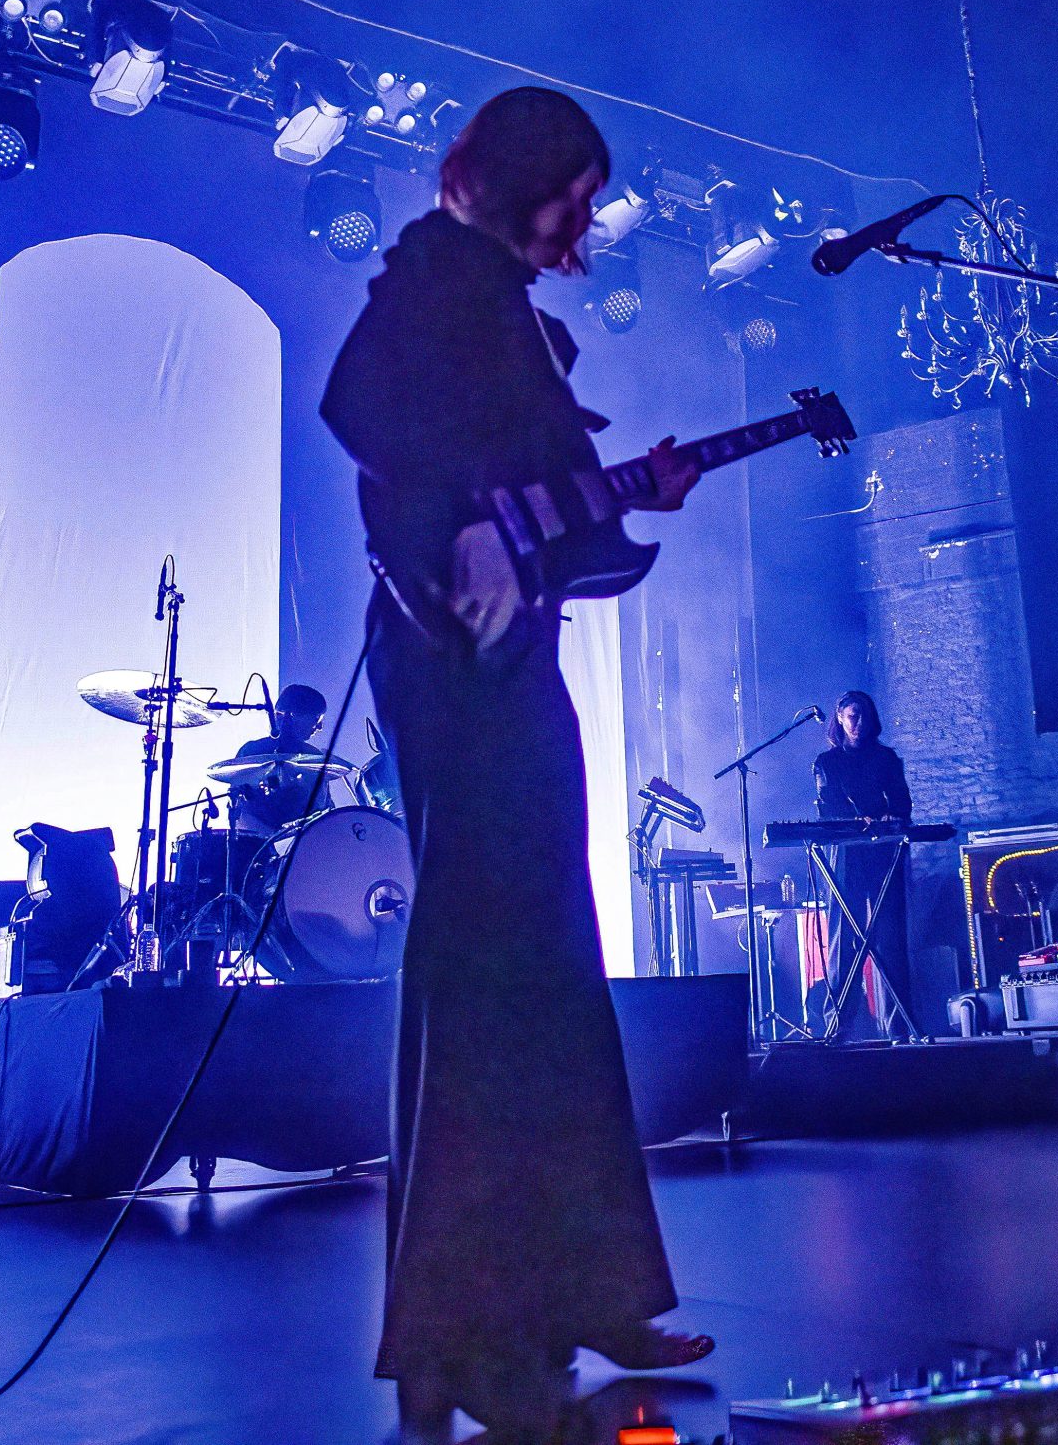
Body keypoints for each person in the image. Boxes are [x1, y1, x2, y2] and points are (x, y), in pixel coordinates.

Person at [320, 87, 710, 1441]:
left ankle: (581, 1292)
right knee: (490, 970)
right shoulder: (442, 273)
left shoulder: (509, 313)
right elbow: (361, 406)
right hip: (448, 666)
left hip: (506, 666)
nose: (582, 221)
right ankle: (460, 1333)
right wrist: (461, 535)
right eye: (574, 192)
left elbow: (541, 510)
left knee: (547, 963)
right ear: (514, 179)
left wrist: (615, 496)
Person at [811, 690, 917, 1041]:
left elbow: (903, 803)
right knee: (844, 942)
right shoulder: (827, 763)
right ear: (839, 718)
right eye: (851, 716)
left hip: (884, 852)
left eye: (863, 716)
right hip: (847, 855)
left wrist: (888, 818)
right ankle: (839, 1027)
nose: (857, 723)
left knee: (891, 938)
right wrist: (862, 821)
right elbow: (829, 809)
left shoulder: (887, 759)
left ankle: (899, 1027)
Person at [226, 682, 334, 835]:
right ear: (294, 716)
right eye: (316, 718)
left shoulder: (316, 758)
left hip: (307, 844)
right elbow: (238, 806)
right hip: (260, 843)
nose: (319, 726)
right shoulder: (251, 752)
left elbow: (325, 808)